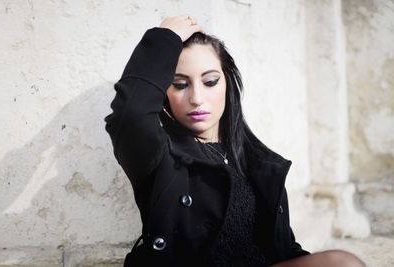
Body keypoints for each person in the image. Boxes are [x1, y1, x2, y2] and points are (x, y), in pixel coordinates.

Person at [105, 15, 365, 267]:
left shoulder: (254, 160)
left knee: (342, 263)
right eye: (180, 84)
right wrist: (164, 38)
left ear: (227, 84)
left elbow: (283, 249)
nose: (196, 98)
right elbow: (130, 115)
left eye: (210, 81)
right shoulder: (159, 156)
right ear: (165, 95)